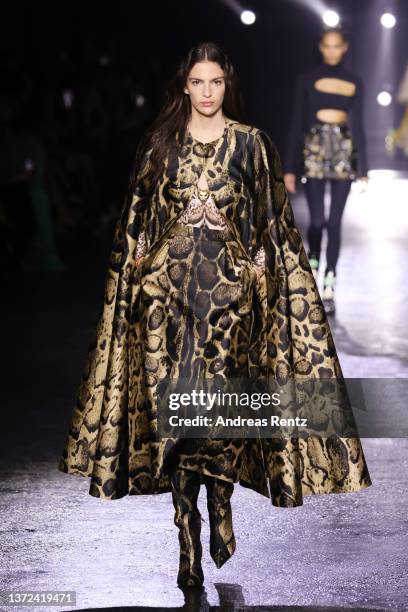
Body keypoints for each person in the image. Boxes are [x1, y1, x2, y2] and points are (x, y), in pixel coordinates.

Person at [58, 41, 372, 590]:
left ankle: (220, 500)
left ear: (228, 85)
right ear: (185, 86)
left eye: (217, 83)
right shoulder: (159, 145)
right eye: (198, 83)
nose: (207, 93)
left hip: (229, 304)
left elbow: (273, 224)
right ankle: (187, 534)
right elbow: (135, 223)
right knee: (179, 426)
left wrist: (266, 279)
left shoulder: (252, 145)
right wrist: (132, 283)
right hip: (168, 303)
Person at [283, 27, 369, 315]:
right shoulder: (306, 80)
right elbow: (296, 122)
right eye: (327, 46)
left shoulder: (355, 81)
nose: (332, 50)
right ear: (321, 47)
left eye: (337, 46)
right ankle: (315, 259)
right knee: (317, 222)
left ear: (344, 48)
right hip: (315, 153)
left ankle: (330, 283)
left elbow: (359, 125)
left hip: (343, 153)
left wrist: (363, 167)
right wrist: (289, 168)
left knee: (334, 223)